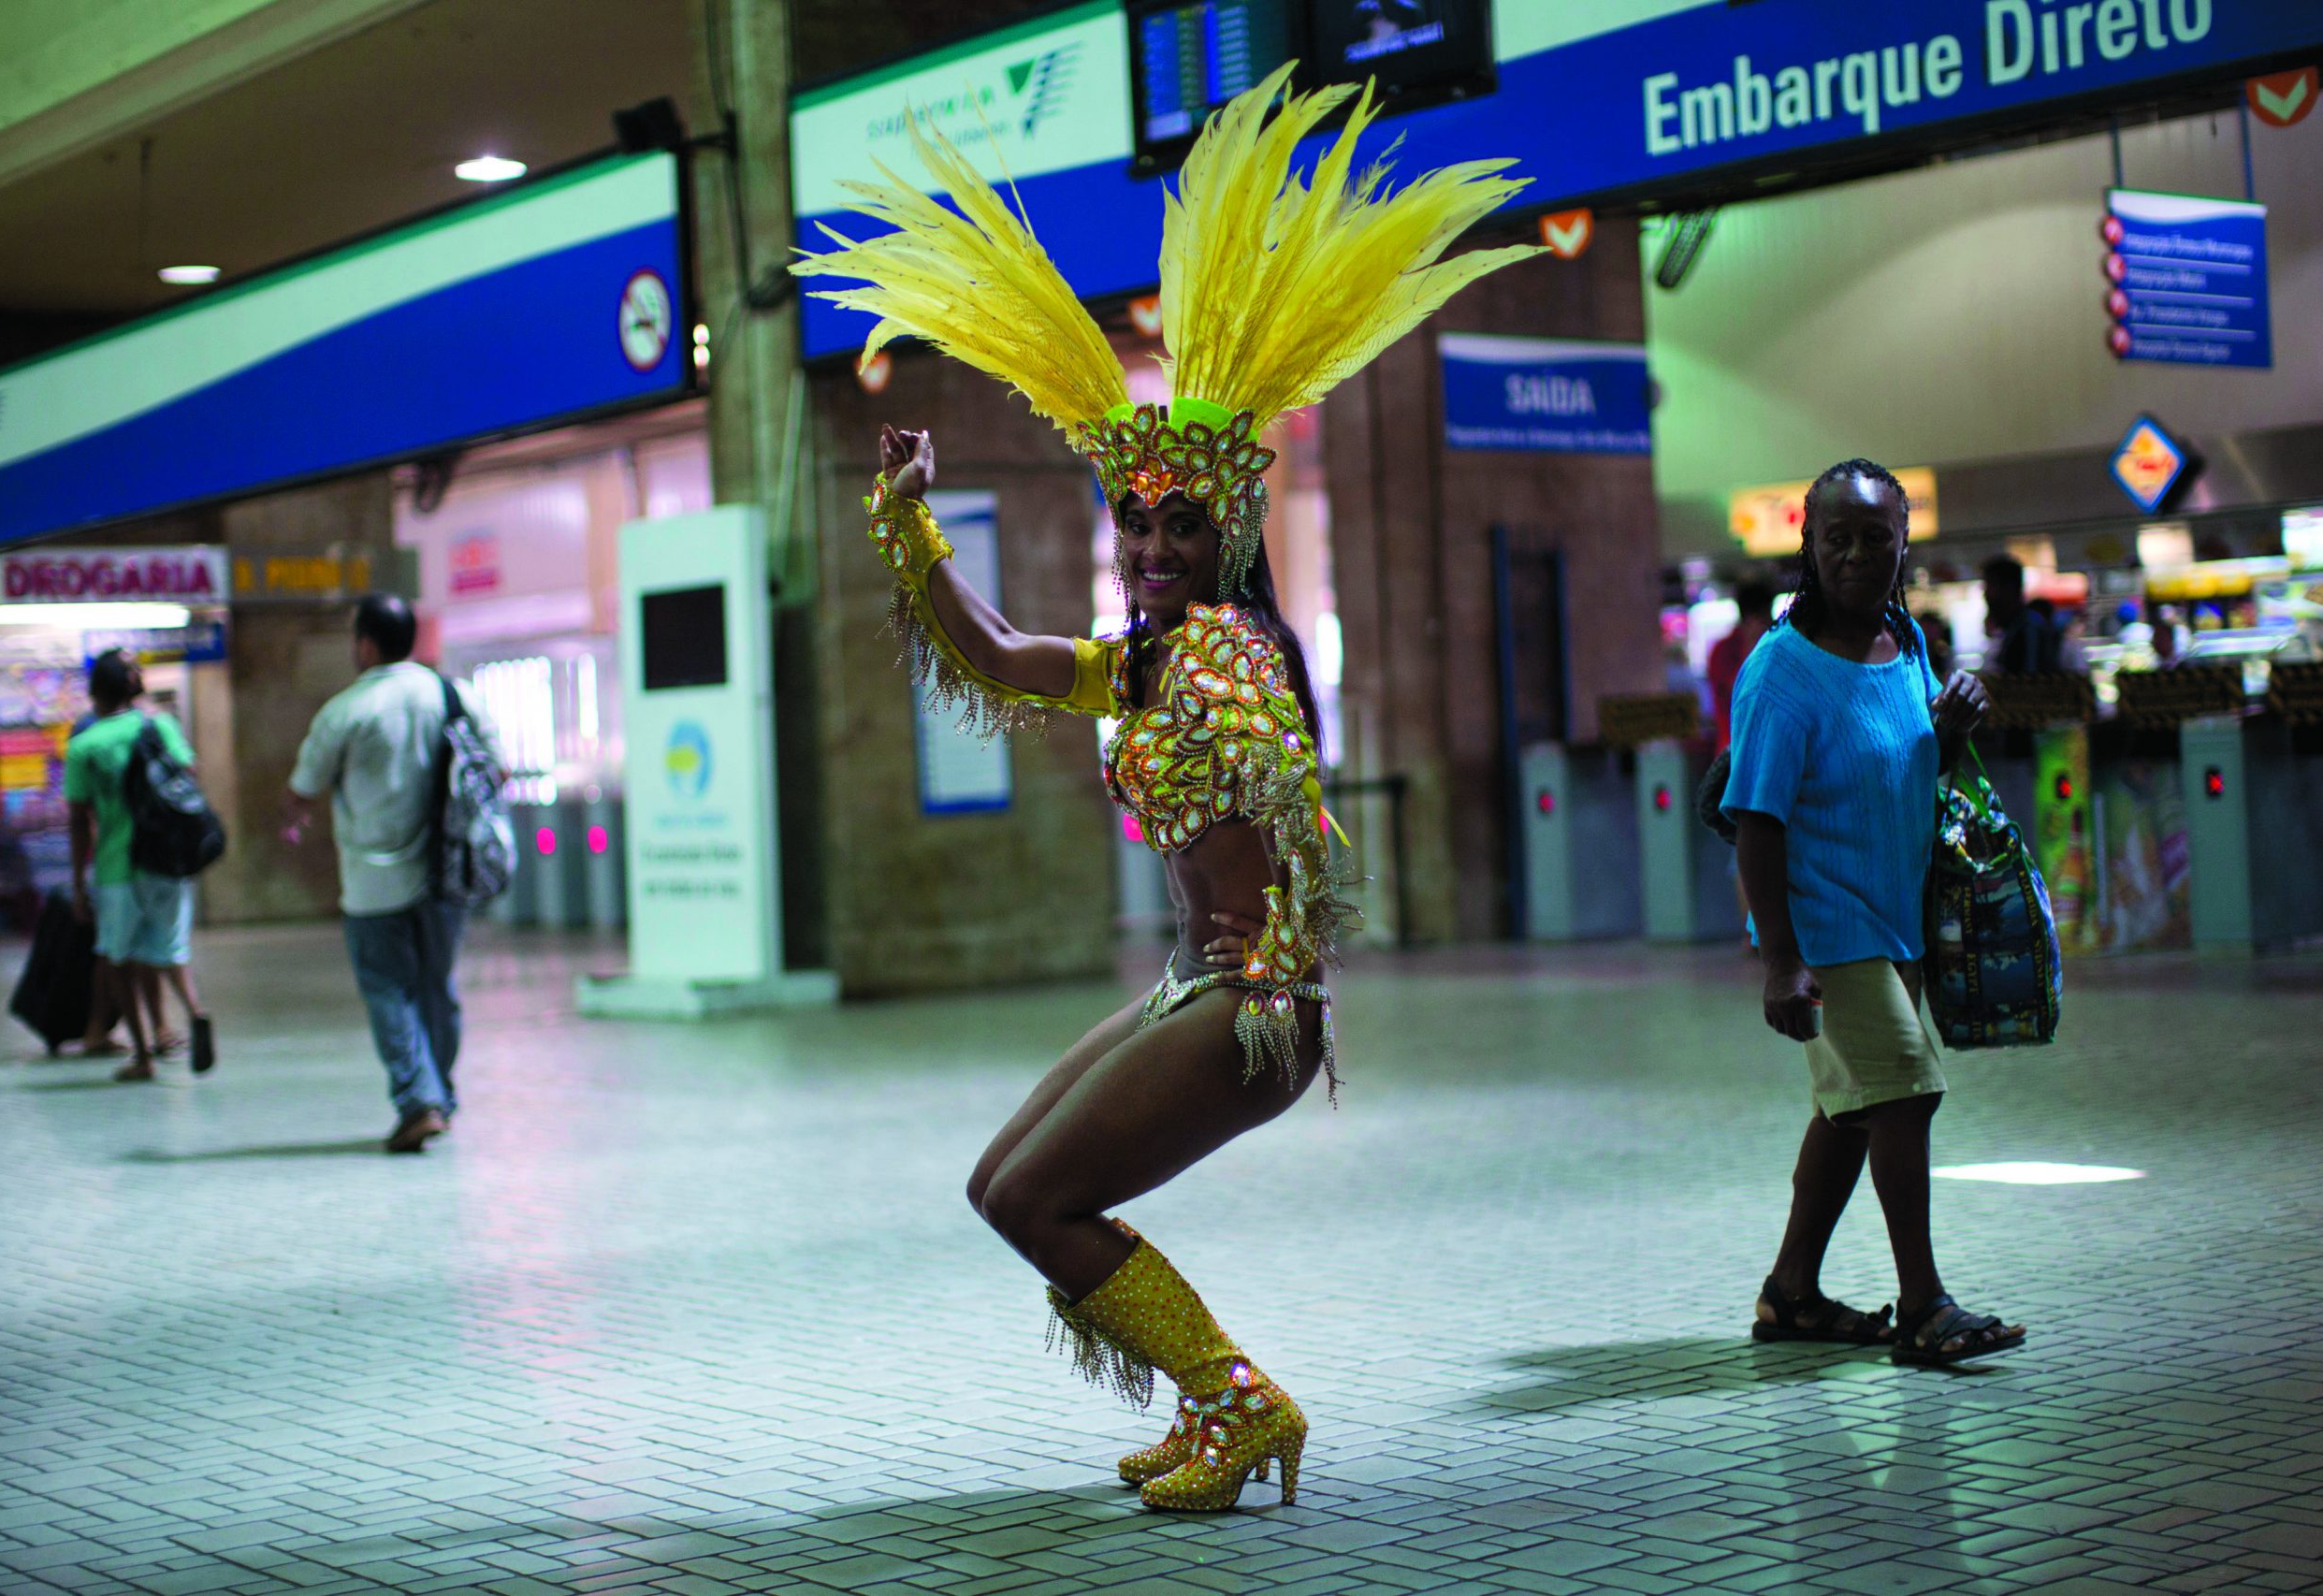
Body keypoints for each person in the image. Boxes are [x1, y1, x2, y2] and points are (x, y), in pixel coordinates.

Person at [793, 66, 1542, 1510]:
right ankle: (1220, 1410)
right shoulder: (1153, 657)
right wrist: (909, 523)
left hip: (1247, 1005)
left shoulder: (1223, 655)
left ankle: (1238, 1403)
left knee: (1031, 1197)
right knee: (1001, 1182)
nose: (1147, 550)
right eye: (1132, 526)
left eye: (1177, 528)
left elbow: (1287, 809)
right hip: (1194, 991)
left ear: (1227, 534)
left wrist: (1281, 968)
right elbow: (1007, 655)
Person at [1724, 459, 2026, 1370]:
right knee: (1904, 1086)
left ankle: (1791, 1293)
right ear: (1808, 549)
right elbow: (1754, 819)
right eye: (1836, 537)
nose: (1855, 553)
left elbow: (1903, 772)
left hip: (1894, 922)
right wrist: (1779, 958)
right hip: (1825, 930)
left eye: (1875, 536)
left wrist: (1956, 725)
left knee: (1849, 1112)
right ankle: (1924, 1306)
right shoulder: (1780, 671)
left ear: (1902, 546)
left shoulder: (1904, 646)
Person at [286, 595, 488, 1154]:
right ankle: (439, 1096)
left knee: (388, 990)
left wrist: (297, 817)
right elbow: (495, 767)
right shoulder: (453, 694)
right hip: (447, 872)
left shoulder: (346, 710)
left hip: (373, 883)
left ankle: (417, 1102)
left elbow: (301, 789)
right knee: (436, 988)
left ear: (366, 644)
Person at [63, 651, 216, 1081]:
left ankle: (143, 1056)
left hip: (118, 868)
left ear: (94, 693)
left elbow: (78, 819)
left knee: (117, 958)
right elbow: (189, 775)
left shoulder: (85, 746)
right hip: (166, 863)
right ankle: (195, 1011)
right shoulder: (159, 725)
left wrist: (77, 883)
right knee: (169, 951)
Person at [1706, 577, 1776, 757]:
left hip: (1765, 747)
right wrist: (1753, 646)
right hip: (1734, 751)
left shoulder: (1772, 647)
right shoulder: (1724, 650)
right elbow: (1739, 693)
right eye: (1767, 615)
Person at [1981, 555, 2060, 675]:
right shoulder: (2017, 628)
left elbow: (2030, 684)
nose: (1985, 595)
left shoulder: (2029, 630)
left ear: (2009, 588)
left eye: (1989, 586)